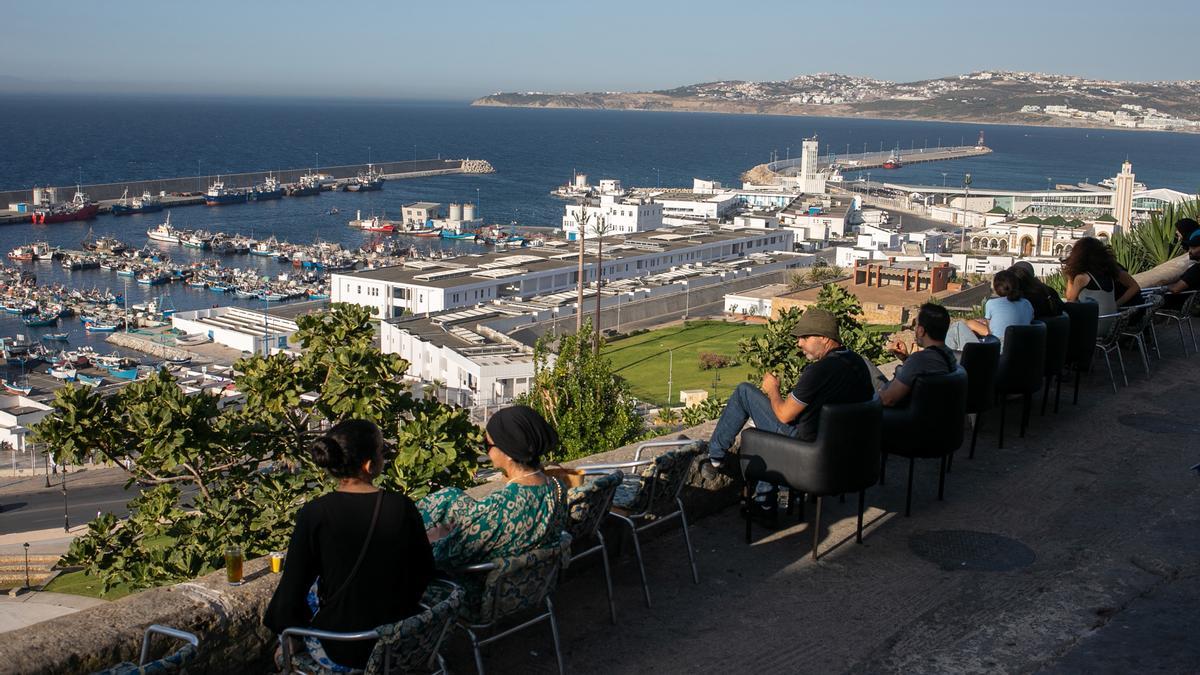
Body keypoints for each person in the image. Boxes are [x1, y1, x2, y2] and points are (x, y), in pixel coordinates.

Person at [264, 420, 434, 671]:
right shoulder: (401, 506)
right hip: (398, 639)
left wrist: (289, 631)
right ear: (368, 465)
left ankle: (289, 648)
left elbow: (293, 585)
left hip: (342, 647)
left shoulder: (316, 513)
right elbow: (424, 569)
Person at [701, 307, 875, 511]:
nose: (799, 343)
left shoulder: (819, 371)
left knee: (744, 392)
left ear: (825, 338)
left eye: (805, 337)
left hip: (806, 448)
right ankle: (767, 500)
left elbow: (784, 415)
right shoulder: (858, 363)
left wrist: (773, 389)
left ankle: (715, 459)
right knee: (766, 428)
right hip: (844, 455)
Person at [419, 405, 566, 572]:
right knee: (451, 496)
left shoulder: (499, 507)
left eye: (487, 444)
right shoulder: (557, 487)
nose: (486, 451)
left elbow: (440, 558)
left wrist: (436, 538)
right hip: (533, 582)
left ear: (508, 452)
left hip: (480, 586)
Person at [880, 303, 957, 408]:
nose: (914, 329)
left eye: (916, 326)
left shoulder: (920, 359)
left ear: (921, 331)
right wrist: (906, 358)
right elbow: (921, 372)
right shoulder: (950, 356)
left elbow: (888, 399)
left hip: (901, 418)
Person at [945, 270, 1033, 351]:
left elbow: (990, 332)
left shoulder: (992, 303)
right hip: (1021, 350)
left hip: (995, 352)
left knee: (957, 326)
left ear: (996, 287)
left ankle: (946, 363)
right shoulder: (1027, 304)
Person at [1163, 228, 1200, 310]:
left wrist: (1163, 287)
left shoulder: (1196, 270)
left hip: (1175, 304)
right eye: (1189, 248)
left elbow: (1176, 289)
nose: (1189, 251)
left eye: (1193, 248)